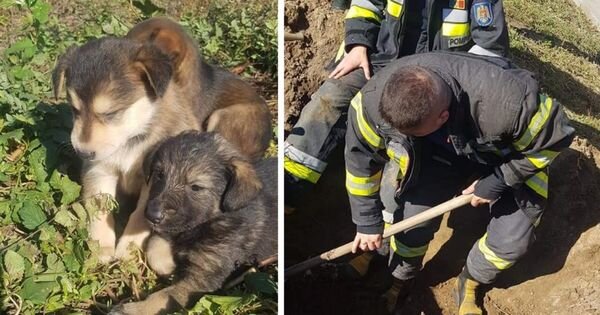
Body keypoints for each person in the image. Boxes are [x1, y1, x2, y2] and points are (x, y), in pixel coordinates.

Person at [344, 51, 575, 314]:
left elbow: (557, 138)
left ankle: (471, 281)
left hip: (509, 158)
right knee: (412, 222)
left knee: (511, 241)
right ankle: (401, 279)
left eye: (412, 132)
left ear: (442, 117)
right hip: (439, 156)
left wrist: (499, 180)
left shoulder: (507, 104)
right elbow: (359, 163)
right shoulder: (372, 103)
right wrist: (365, 221)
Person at [285, 0, 509, 207]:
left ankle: (381, 237)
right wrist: (358, 44)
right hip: (380, 61)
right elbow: (365, 4)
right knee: (331, 98)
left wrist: (451, 88)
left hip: (436, 83)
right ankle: (287, 192)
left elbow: (489, 50)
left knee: (409, 147)